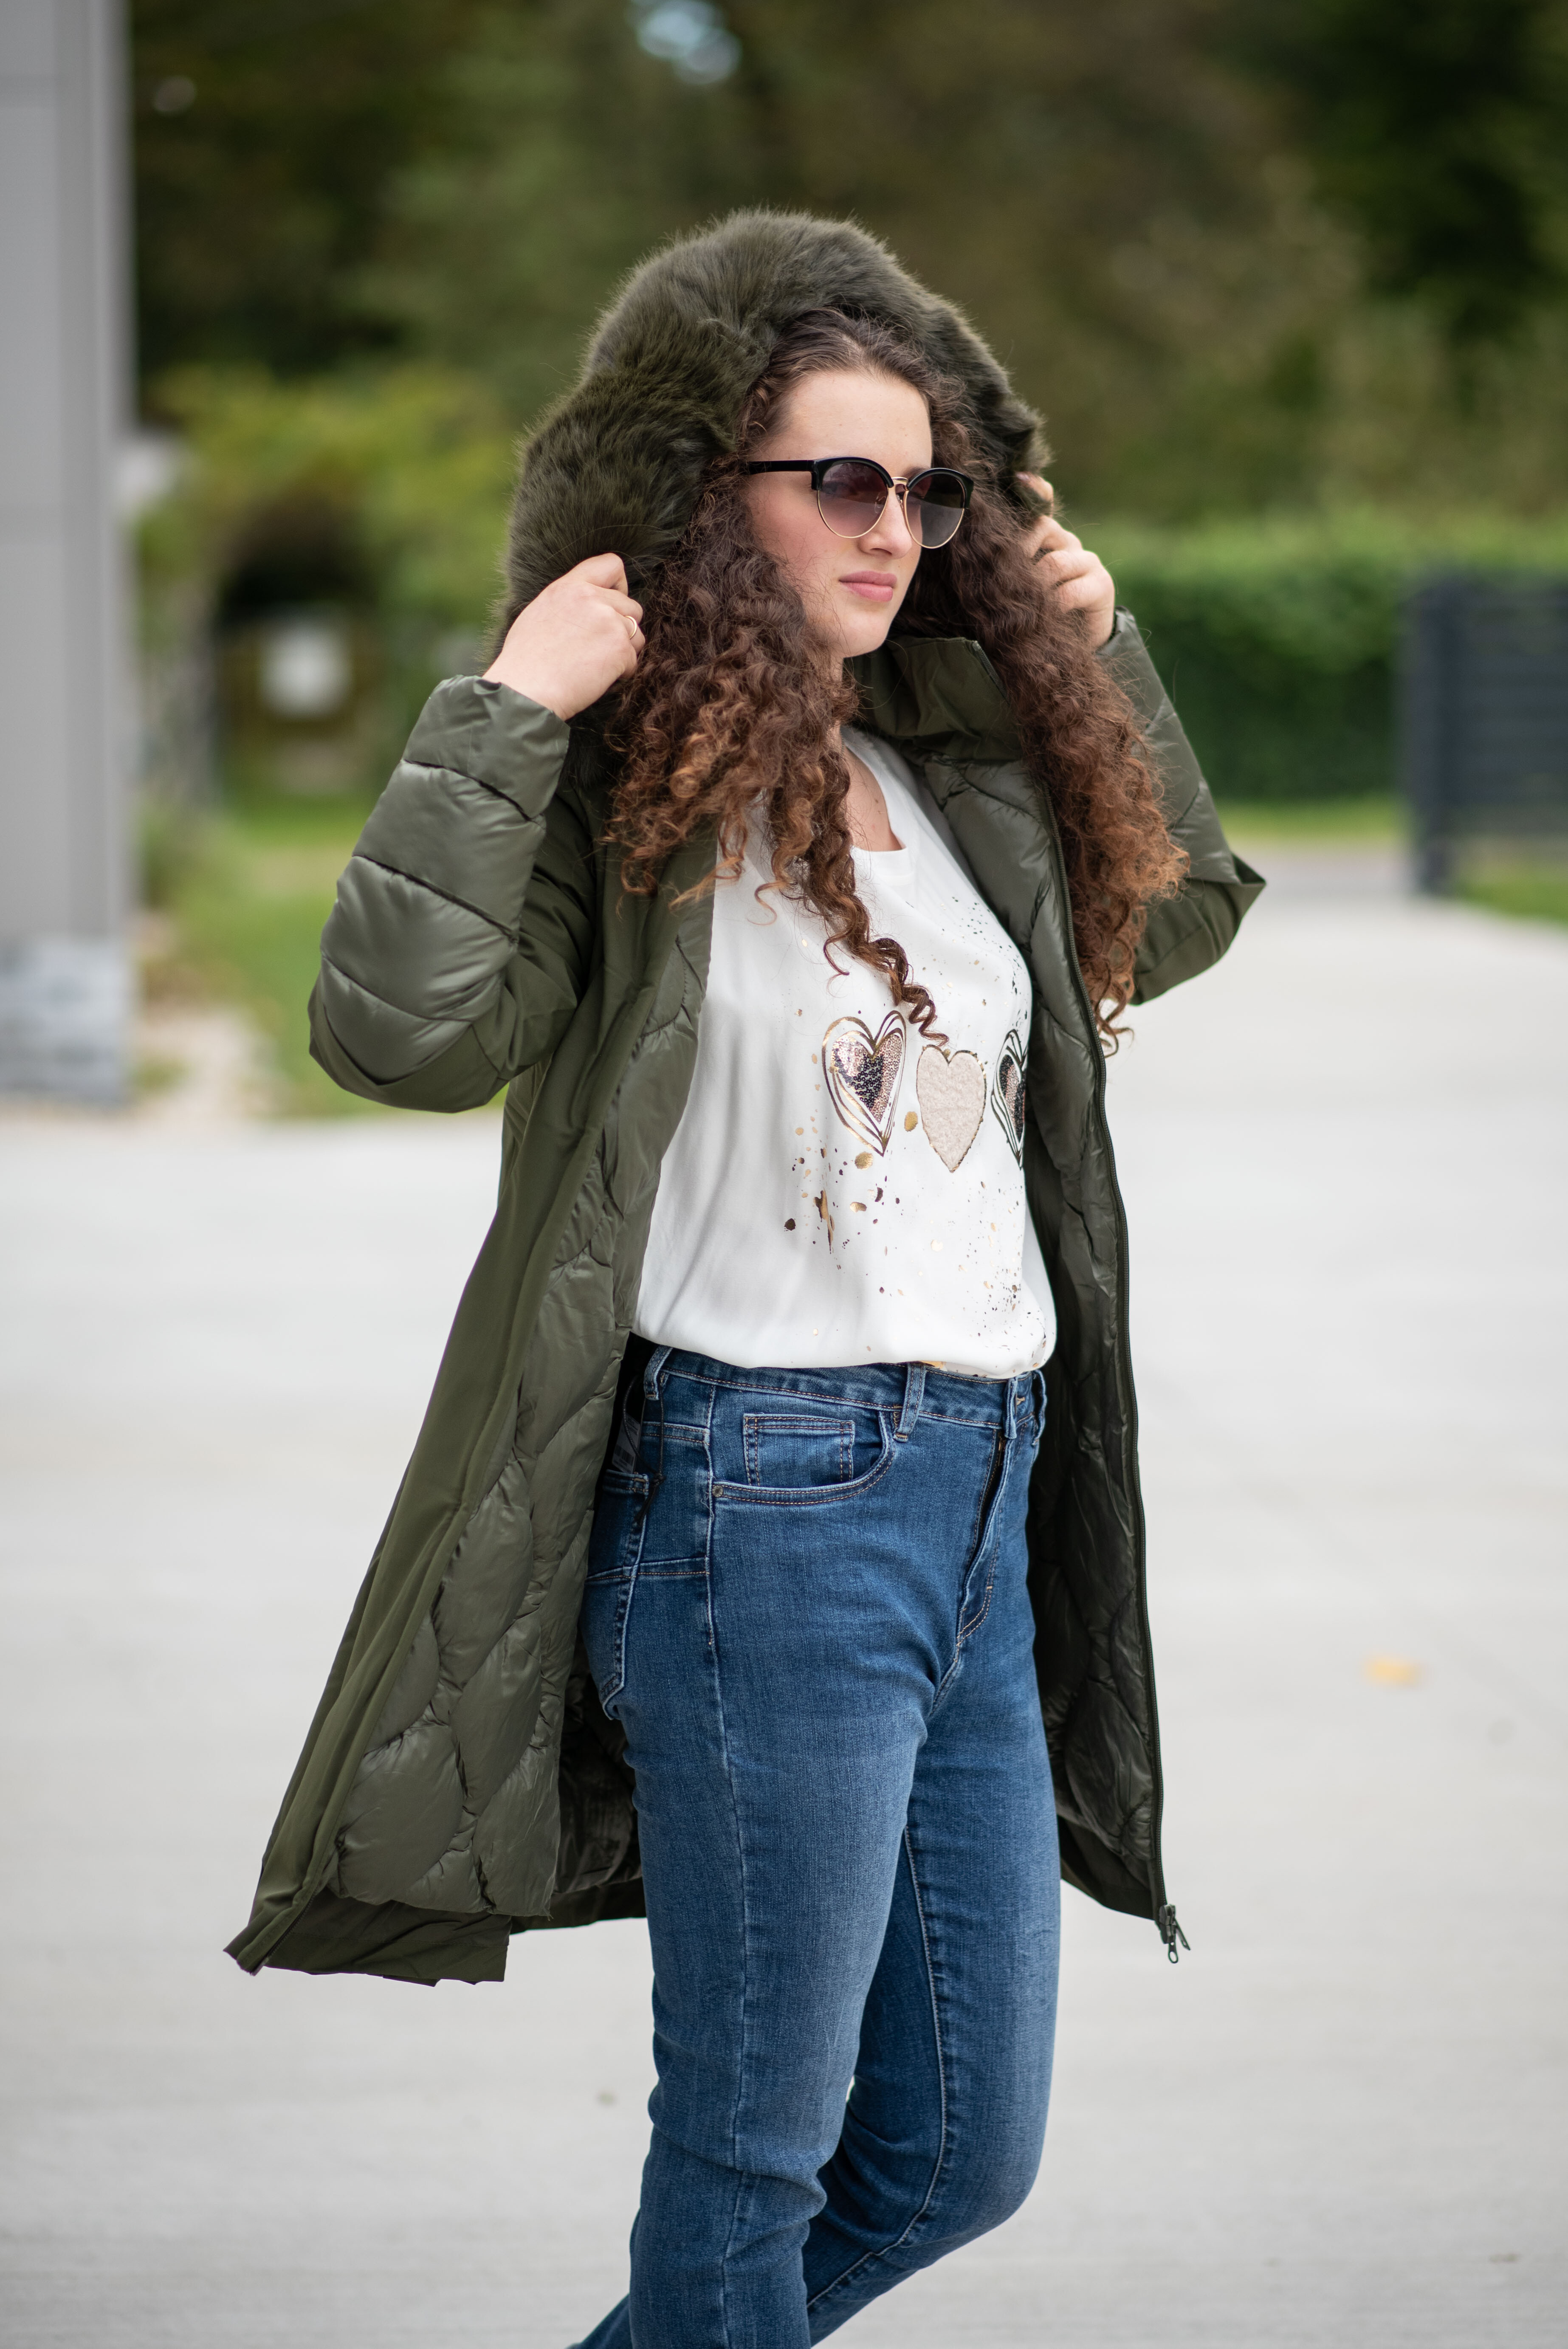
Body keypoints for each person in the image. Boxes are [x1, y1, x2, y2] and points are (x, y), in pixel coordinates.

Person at [227, 212, 1262, 2346]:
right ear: (707, 497)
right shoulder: (616, 795)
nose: (894, 527)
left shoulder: (946, 767)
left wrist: (1105, 653)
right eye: (842, 480)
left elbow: (1166, 922)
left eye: (930, 490)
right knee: (749, 2163)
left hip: (986, 1496)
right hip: (762, 1504)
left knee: (956, 2153)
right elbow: (397, 1034)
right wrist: (507, 709)